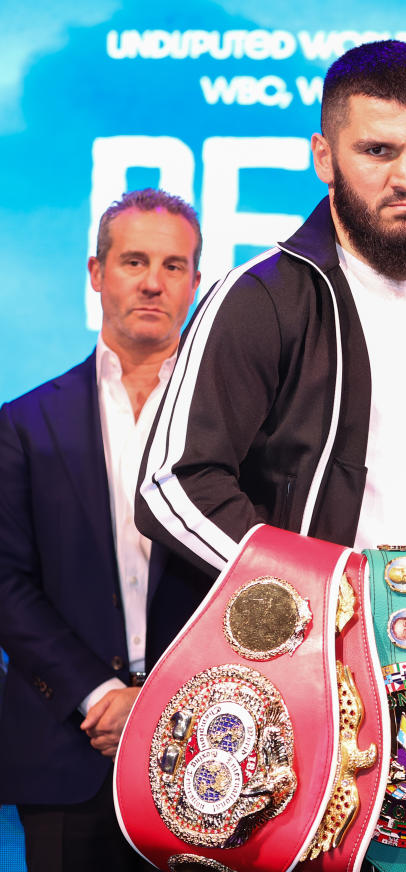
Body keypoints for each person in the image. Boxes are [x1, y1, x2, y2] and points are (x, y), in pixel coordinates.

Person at [134, 40, 406, 825]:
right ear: (325, 157)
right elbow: (173, 487)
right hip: (297, 709)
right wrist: (331, 591)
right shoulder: (261, 297)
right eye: (377, 151)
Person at [0, 189, 209, 871]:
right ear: (96, 272)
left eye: (174, 267)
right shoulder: (25, 423)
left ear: (196, 283)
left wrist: (160, 706)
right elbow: (7, 583)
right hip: (71, 744)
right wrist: (101, 694)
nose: (153, 283)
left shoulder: (240, 428)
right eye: (134, 261)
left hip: (209, 751)